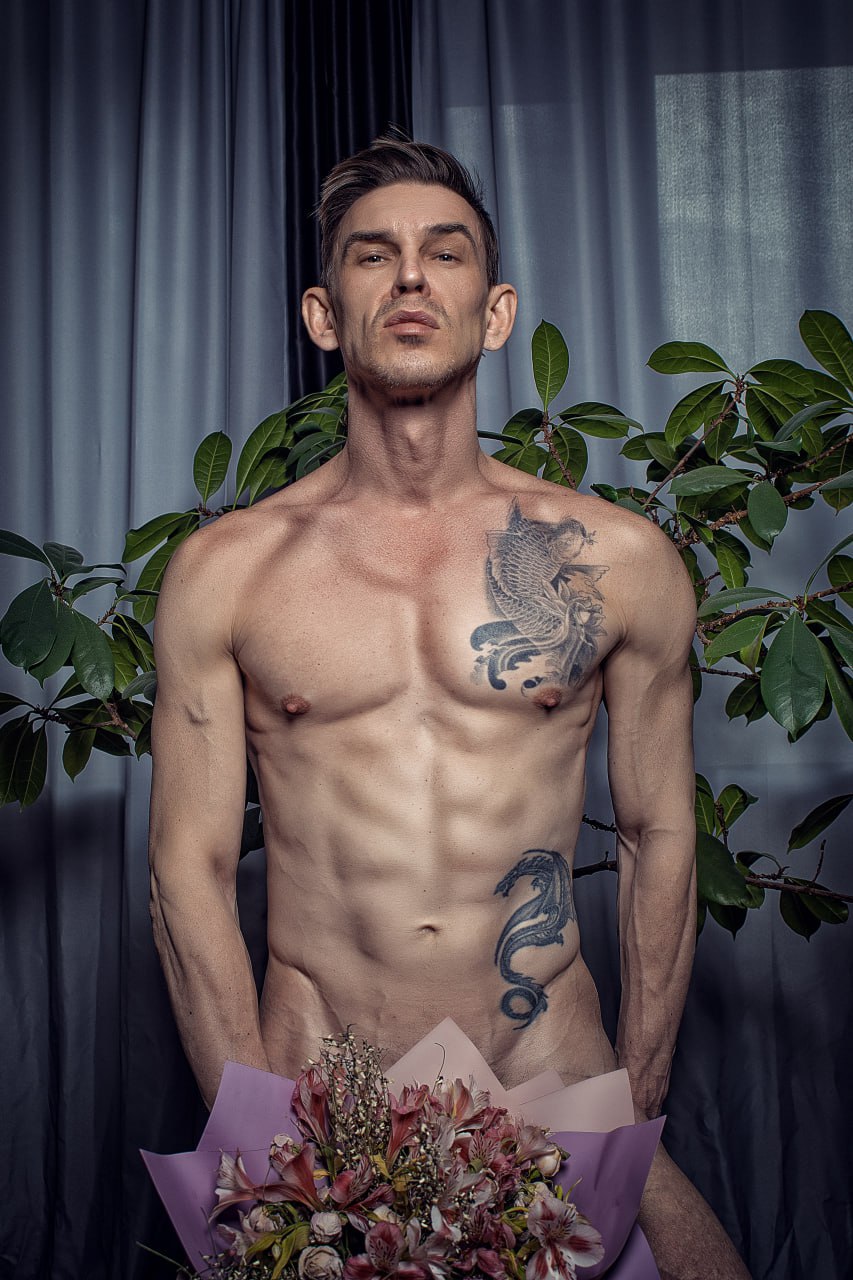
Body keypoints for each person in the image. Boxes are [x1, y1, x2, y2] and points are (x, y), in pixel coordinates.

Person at [148, 136, 750, 1280]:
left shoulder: (616, 560)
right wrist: (254, 1141)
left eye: (446, 251)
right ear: (324, 315)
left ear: (496, 310)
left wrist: (633, 1104)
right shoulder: (227, 574)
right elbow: (188, 869)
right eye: (374, 255)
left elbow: (658, 830)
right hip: (321, 1102)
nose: (412, 276)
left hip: (549, 1077)